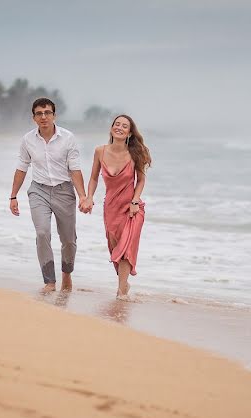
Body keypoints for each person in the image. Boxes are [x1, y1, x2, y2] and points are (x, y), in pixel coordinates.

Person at [9, 98, 87, 293]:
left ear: (54, 115)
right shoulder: (27, 140)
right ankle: (49, 281)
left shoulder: (68, 138)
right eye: (39, 113)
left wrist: (83, 196)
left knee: (68, 239)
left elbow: (75, 169)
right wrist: (13, 196)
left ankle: (66, 274)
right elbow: (21, 168)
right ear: (34, 117)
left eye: (47, 113)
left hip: (64, 191)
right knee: (42, 232)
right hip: (39, 190)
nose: (43, 117)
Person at [83, 114, 151, 299]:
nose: (119, 127)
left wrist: (135, 201)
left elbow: (141, 180)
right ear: (112, 128)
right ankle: (124, 285)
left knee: (125, 249)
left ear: (129, 132)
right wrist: (89, 197)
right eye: (117, 124)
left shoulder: (134, 153)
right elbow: (94, 177)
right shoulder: (100, 151)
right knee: (115, 251)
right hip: (111, 209)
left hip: (131, 209)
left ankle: (121, 293)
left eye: (124, 126)